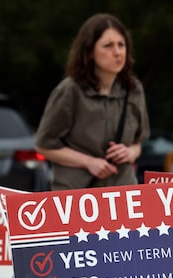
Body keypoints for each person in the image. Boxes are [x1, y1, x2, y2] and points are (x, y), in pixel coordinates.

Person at [35, 13, 150, 190]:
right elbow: (44, 146)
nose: (117, 52)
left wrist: (130, 152)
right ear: (89, 52)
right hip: (78, 196)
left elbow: (138, 143)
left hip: (122, 192)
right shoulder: (69, 90)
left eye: (121, 45)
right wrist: (89, 162)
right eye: (108, 46)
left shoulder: (133, 89)